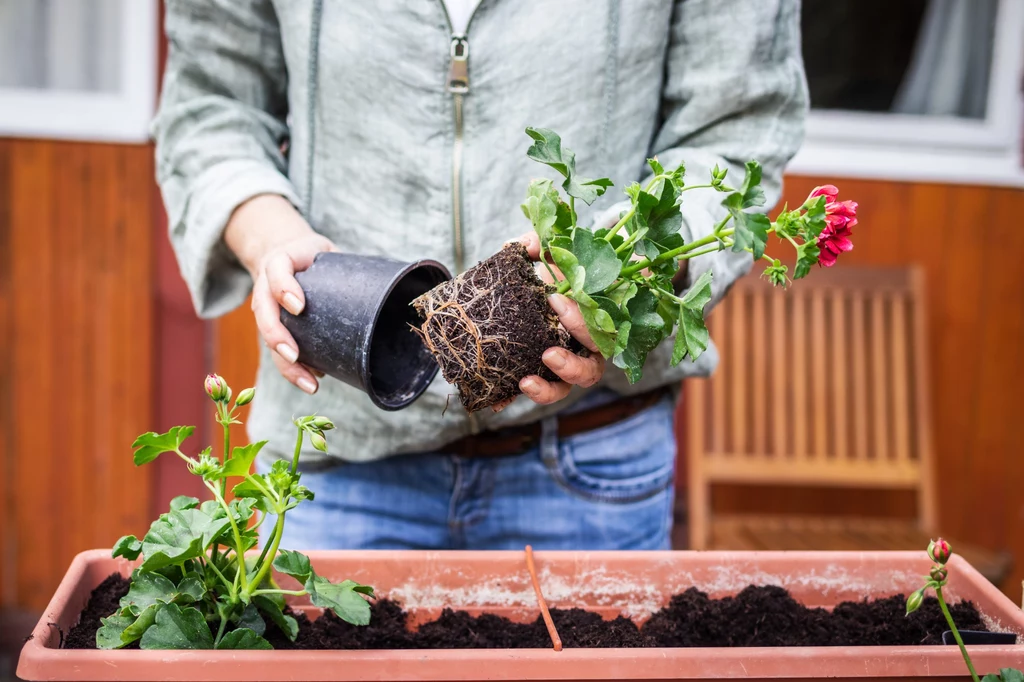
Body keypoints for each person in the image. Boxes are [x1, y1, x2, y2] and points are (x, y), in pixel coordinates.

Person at [153, 0, 807, 551]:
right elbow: (211, 110)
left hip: (588, 462)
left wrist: (630, 267)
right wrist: (274, 240)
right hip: (336, 457)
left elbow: (737, 127)